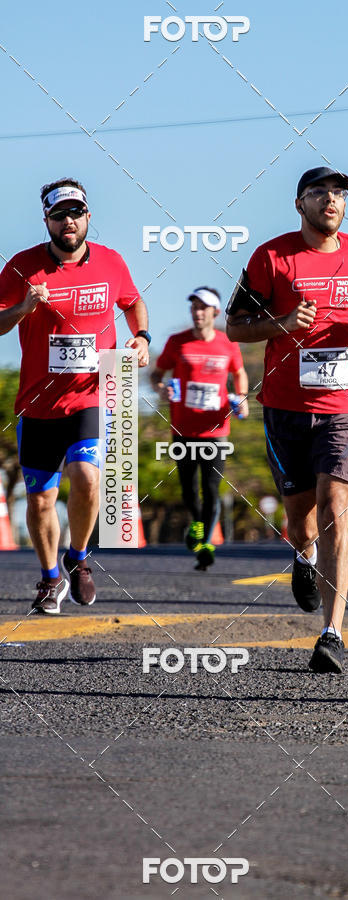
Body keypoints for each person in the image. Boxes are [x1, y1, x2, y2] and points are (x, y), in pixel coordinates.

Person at [226, 166, 348, 673]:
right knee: (302, 523)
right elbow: (235, 327)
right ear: (298, 203)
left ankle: (332, 634)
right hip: (286, 408)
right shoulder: (270, 258)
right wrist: (281, 322)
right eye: (319, 192)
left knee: (334, 507)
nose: (331, 200)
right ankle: (302, 558)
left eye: (339, 193)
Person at [0, 177, 150, 614]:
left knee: (87, 479)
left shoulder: (111, 263)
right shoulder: (21, 268)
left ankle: (79, 557)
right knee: (41, 499)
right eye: (59, 214)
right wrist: (23, 309)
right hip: (38, 403)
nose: (69, 221)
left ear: (88, 217)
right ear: (45, 219)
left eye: (76, 213)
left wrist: (141, 337)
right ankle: (50, 579)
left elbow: (132, 301)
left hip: (93, 394)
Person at [151, 287, 248, 569]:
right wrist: (161, 390)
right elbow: (158, 374)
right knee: (189, 490)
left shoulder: (227, 343)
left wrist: (240, 397)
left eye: (203, 308)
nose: (197, 312)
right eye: (194, 307)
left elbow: (239, 372)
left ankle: (205, 542)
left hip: (216, 431)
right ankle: (196, 523)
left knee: (211, 488)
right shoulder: (176, 343)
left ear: (215, 313)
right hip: (182, 428)